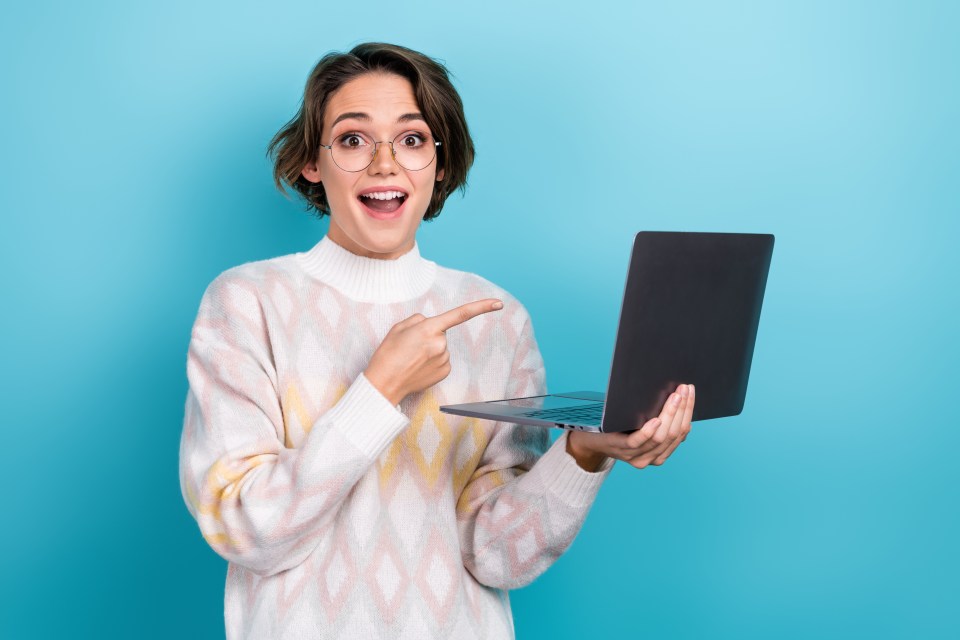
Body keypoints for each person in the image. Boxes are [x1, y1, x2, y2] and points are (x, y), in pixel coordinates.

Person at [179, 42, 694, 639]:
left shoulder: (497, 320)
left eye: (412, 139)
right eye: (352, 139)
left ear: (440, 165)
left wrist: (583, 455)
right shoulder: (247, 303)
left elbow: (498, 556)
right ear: (311, 164)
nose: (384, 164)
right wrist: (379, 390)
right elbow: (246, 528)